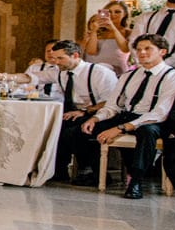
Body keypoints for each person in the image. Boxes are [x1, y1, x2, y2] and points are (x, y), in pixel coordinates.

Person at [81, 33, 175, 199]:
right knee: (83, 128)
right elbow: (113, 105)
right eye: (139, 49)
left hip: (155, 121)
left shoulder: (174, 76)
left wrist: (121, 128)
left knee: (147, 132)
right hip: (128, 115)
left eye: (147, 49)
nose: (142, 53)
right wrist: (96, 118)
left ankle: (136, 181)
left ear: (163, 51)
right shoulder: (128, 76)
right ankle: (95, 173)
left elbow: (160, 112)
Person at [44, 39, 119, 184]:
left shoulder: (99, 73)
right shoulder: (62, 72)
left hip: (103, 114)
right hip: (76, 113)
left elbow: (111, 101)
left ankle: (93, 172)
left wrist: (85, 111)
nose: (56, 62)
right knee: (52, 125)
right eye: (55, 58)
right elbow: (37, 77)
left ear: (75, 56)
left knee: (75, 131)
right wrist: (7, 76)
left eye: (60, 58)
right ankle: (58, 170)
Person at [83, 0, 132, 74]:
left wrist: (113, 27)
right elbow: (91, 52)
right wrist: (94, 31)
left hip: (117, 71)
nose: (112, 15)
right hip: (94, 70)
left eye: (117, 12)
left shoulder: (128, 32)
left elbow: (125, 49)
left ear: (125, 14)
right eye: (109, 12)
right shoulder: (98, 31)